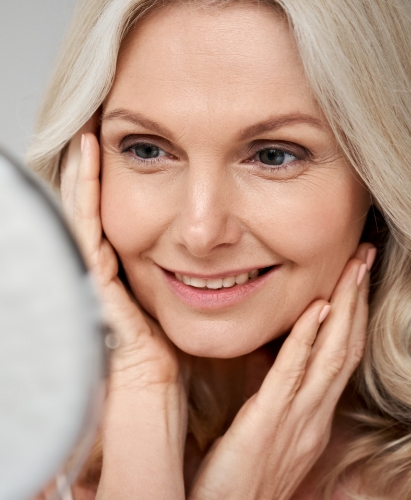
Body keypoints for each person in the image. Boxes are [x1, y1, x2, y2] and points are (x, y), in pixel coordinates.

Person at [27, 1, 411, 498]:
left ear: (378, 174)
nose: (201, 231)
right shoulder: (7, 453)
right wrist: (143, 404)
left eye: (274, 155)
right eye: (147, 149)